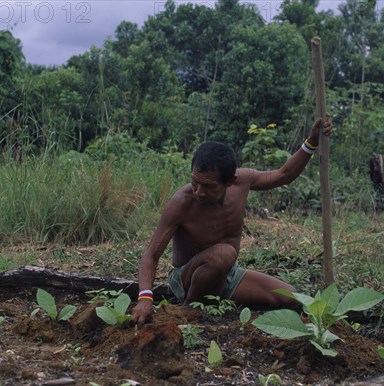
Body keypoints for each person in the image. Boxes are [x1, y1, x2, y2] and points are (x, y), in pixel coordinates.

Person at [131, 117, 333, 326]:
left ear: (229, 181)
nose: (199, 191)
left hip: (227, 275)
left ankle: (215, 299)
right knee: (224, 253)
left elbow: (284, 175)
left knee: (293, 297)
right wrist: (145, 298)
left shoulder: (242, 181)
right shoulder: (182, 202)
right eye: (195, 182)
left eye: (209, 186)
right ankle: (189, 311)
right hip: (186, 279)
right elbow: (152, 254)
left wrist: (312, 141)